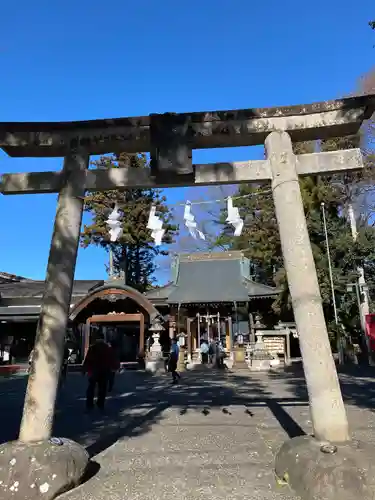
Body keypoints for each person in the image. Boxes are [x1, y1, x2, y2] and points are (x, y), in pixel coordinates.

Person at [82, 333, 116, 412]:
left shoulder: (92, 348)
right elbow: (111, 359)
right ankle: (100, 404)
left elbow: (88, 359)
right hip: (104, 371)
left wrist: (84, 369)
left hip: (94, 371)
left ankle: (89, 404)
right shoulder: (107, 348)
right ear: (103, 339)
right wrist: (113, 368)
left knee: (91, 388)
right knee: (102, 389)